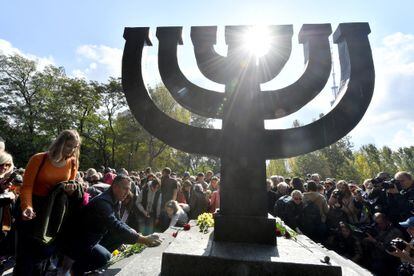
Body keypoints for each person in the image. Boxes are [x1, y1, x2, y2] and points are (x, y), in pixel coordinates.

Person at [61, 174, 161, 275]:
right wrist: (143, 239)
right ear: (115, 187)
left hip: (93, 238)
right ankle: (76, 269)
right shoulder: (103, 203)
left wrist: (134, 232)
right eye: (125, 188)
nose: (127, 192)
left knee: (120, 239)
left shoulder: (115, 200)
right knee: (104, 257)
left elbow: (119, 221)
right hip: (79, 241)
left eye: (129, 189)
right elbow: (115, 226)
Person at [14, 129, 81, 275]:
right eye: (69, 145)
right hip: (32, 207)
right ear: (60, 143)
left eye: (75, 147)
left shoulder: (73, 163)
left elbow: (70, 187)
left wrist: (71, 190)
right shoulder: (39, 158)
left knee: (43, 252)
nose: (72, 150)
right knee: (25, 255)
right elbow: (27, 186)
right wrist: (27, 207)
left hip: (53, 213)